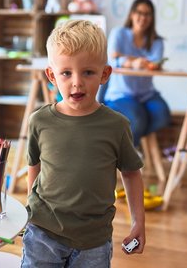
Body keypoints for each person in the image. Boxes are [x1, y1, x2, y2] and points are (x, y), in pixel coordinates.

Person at [21, 20, 146, 267]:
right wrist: (28, 212)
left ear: (104, 74)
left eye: (87, 72)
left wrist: (137, 222)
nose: (76, 82)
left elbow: (131, 173)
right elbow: (34, 168)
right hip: (43, 233)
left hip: (94, 241)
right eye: (66, 73)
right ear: (51, 75)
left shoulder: (116, 126)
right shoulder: (39, 121)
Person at [103, 0, 171, 149]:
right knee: (137, 119)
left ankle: (129, 144)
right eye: (139, 12)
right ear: (132, 14)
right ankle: (130, 151)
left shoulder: (157, 41)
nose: (143, 17)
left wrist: (124, 58)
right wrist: (132, 63)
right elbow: (111, 60)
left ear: (152, 18)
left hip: (146, 94)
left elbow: (155, 63)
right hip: (120, 94)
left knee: (162, 116)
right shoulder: (118, 33)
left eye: (147, 14)